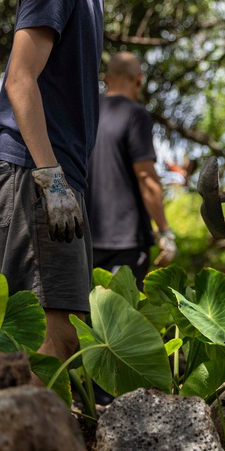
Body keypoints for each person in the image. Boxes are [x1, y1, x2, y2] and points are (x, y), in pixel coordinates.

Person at [0, 0, 164, 362]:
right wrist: (51, 177)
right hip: (34, 175)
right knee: (54, 339)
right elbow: (20, 80)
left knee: (72, 334)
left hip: (60, 181)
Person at [87, 51, 176, 288]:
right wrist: (165, 231)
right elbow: (146, 176)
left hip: (84, 239)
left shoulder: (85, 112)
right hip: (126, 243)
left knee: (86, 320)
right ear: (139, 79)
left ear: (105, 78)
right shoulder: (136, 115)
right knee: (121, 320)